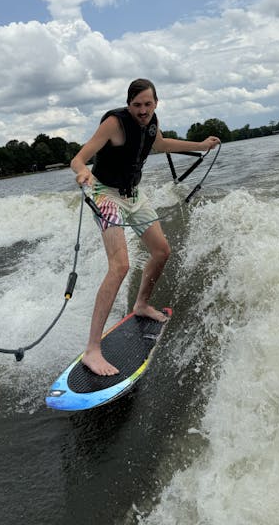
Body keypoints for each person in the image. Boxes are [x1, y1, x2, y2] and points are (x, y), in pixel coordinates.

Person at [70, 78, 220, 376]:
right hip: (106, 194)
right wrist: (83, 171)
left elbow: (161, 143)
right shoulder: (114, 123)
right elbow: (78, 158)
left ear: (156, 103)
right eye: (137, 105)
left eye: (148, 104)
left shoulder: (151, 122)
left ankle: (141, 305)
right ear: (129, 104)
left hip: (134, 195)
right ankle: (92, 350)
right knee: (120, 266)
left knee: (162, 251)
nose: (142, 110)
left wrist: (201, 146)